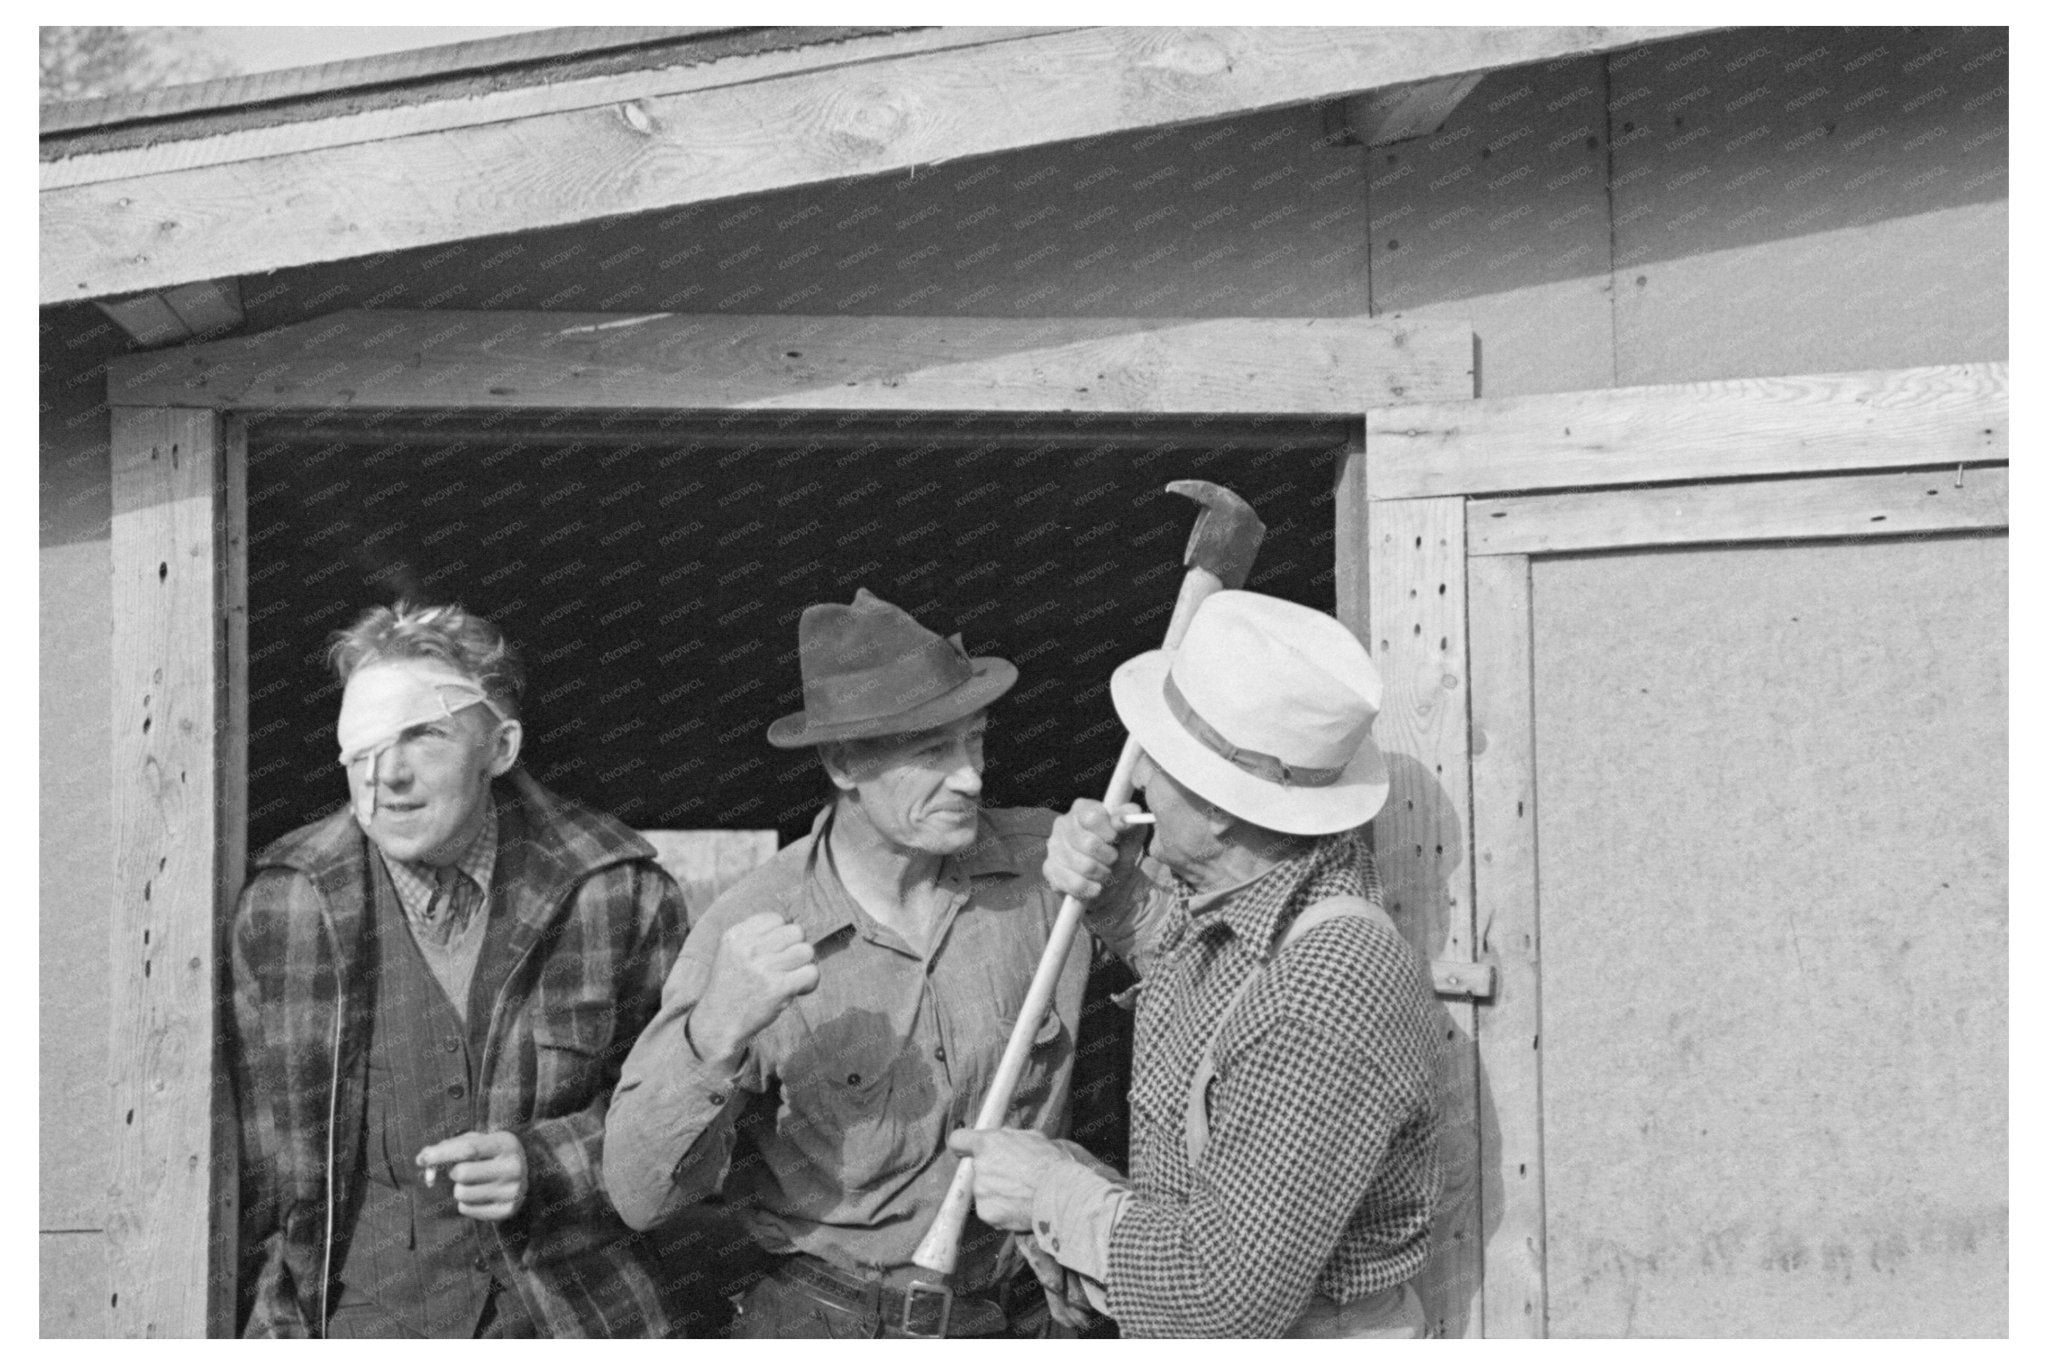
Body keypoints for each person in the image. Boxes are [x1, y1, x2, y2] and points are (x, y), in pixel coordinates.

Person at [603, 588, 1122, 1338]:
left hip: (1027, 1317)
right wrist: (713, 1032)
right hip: (832, 1322)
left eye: (975, 740)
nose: (972, 777)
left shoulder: (1052, 871)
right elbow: (638, 1194)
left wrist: (1127, 888)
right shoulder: (749, 927)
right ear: (844, 763)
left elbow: (1192, 968)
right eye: (932, 752)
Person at [947, 589, 1444, 1338]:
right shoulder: (1254, 909)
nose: (1136, 777)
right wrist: (1121, 901)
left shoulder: (1330, 980)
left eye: (1158, 756)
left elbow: (1224, 1297)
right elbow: (1216, 996)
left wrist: (1052, 1190)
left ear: (1218, 805)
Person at [228, 601, 689, 1337]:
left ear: (499, 746)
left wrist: (547, 1164)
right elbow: (250, 1180)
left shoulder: (615, 892)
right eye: (364, 745)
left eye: (425, 735)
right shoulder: (284, 907)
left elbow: (684, 1119)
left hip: (570, 1319)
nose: (390, 776)